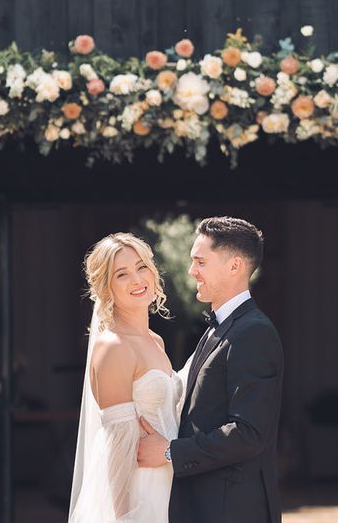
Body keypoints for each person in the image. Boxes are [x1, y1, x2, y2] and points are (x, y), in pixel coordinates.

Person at [137, 216, 284, 523]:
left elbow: (248, 433)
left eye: (200, 262)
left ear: (235, 266)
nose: (192, 272)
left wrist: (170, 453)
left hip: (231, 511)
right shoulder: (220, 327)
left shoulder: (254, 332)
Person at [68, 232, 182, 522]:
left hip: (171, 485)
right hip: (139, 493)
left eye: (141, 266)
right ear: (106, 288)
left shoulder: (155, 341)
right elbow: (117, 445)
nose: (136, 279)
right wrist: (122, 517)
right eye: (122, 274)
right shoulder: (113, 347)